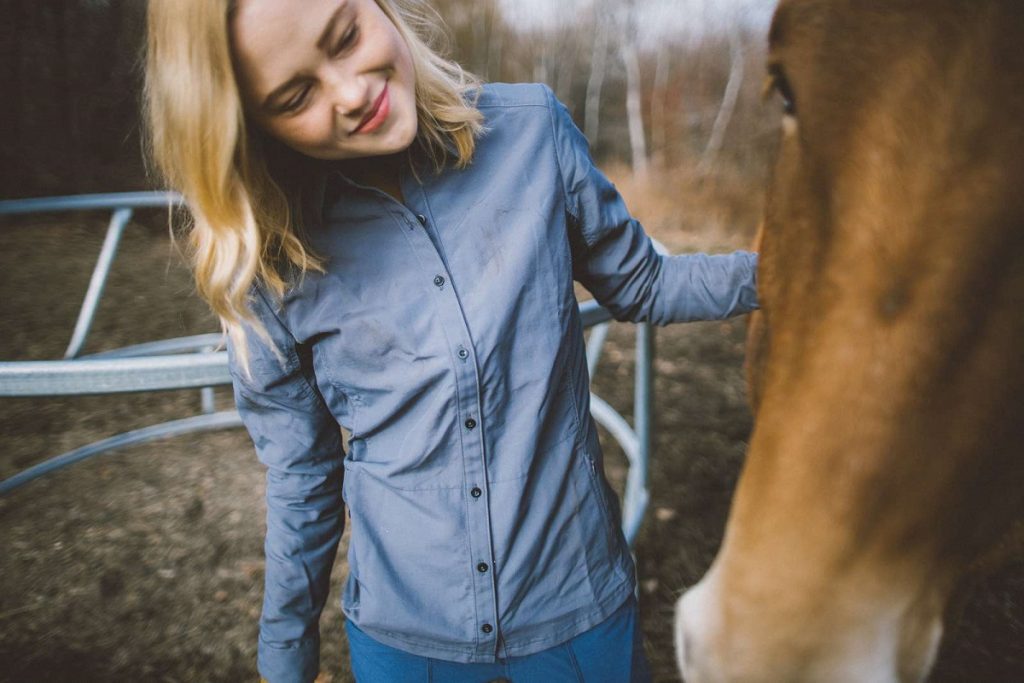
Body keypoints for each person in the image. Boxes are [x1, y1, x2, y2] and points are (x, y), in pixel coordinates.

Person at [144, 1, 758, 681]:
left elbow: (644, 282)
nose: (351, 93)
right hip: (406, 646)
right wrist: (286, 654)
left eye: (347, 36)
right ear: (249, 128)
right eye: (296, 96)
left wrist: (796, 273)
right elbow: (301, 472)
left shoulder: (532, 130)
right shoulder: (271, 258)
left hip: (579, 612)